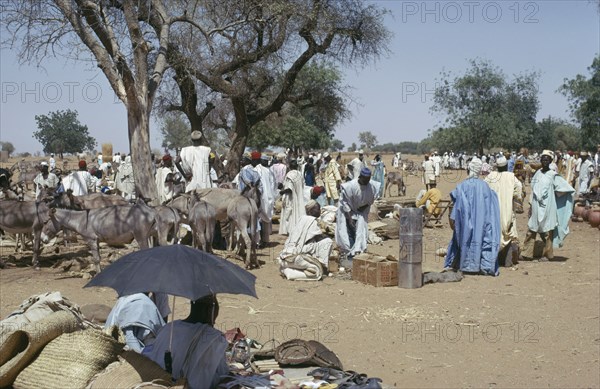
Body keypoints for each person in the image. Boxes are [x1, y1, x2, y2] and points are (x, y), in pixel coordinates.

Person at [143, 295, 229, 389]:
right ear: (209, 310)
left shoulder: (168, 328)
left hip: (157, 384)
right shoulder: (214, 338)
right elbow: (222, 375)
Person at [443, 158, 501, 276]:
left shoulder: (462, 186)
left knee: (465, 239)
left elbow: (455, 201)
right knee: (482, 238)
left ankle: (465, 264)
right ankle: (482, 265)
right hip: (482, 221)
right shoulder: (485, 186)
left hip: (465, 221)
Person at [522, 150, 575, 262]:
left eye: (547, 159)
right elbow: (533, 190)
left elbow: (564, 188)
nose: (545, 161)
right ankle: (526, 253)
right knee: (531, 229)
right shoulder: (537, 173)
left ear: (550, 161)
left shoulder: (553, 175)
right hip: (536, 206)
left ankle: (547, 255)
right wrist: (531, 205)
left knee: (547, 232)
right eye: (543, 159)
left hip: (548, 207)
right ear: (540, 160)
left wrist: (556, 196)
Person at [335, 167, 380, 264]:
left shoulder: (371, 186)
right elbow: (345, 203)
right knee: (349, 232)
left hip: (361, 212)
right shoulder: (350, 186)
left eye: (369, 179)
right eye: (365, 179)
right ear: (360, 177)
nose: (367, 181)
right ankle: (350, 254)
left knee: (360, 232)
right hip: (347, 212)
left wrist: (364, 207)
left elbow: (371, 200)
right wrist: (350, 218)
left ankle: (357, 252)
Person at [485, 156, 523, 267]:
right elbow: (519, 188)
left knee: (494, 234)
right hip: (507, 211)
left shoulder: (490, 176)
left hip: (493, 211)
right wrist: (516, 197)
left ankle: (493, 261)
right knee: (508, 234)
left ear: (496, 167)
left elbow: (484, 188)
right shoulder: (511, 177)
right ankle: (507, 261)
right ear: (506, 166)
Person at [279, 159, 305, 235]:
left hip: (291, 198)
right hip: (299, 197)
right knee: (298, 213)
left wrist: (282, 192)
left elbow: (289, 189)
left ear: (290, 167)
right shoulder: (300, 174)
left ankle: (290, 230)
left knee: (289, 214)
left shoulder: (290, 175)